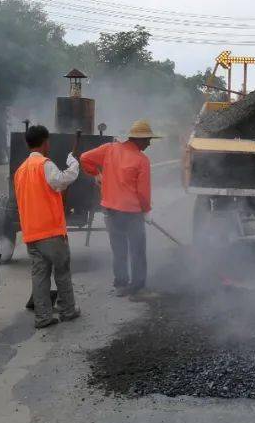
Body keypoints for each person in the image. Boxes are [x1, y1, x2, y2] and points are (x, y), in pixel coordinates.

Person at [80, 119, 159, 300]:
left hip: (110, 210)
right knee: (137, 249)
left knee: (119, 249)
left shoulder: (110, 149)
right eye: (147, 140)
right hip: (132, 213)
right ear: (138, 140)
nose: (149, 143)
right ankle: (137, 288)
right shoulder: (142, 160)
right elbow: (142, 192)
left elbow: (84, 158)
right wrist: (146, 210)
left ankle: (121, 284)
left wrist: (96, 174)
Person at [14, 125, 81, 329]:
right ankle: (68, 310)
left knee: (40, 274)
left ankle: (43, 317)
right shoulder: (44, 164)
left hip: (31, 233)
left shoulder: (20, 170)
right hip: (50, 232)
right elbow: (61, 181)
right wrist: (73, 163)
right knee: (62, 271)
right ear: (45, 142)